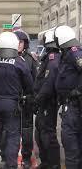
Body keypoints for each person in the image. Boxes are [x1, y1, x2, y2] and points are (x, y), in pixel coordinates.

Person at [0, 32, 34, 169]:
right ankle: (11, 166)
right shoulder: (19, 62)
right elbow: (29, 85)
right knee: (13, 137)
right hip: (12, 104)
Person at [54, 25, 82, 169]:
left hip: (73, 105)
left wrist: (77, 90)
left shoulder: (74, 52)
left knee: (71, 144)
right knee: (70, 144)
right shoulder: (66, 54)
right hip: (68, 105)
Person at [34, 30, 61, 169]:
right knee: (40, 132)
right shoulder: (49, 57)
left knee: (47, 134)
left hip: (48, 102)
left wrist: (37, 100)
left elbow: (48, 83)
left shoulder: (53, 59)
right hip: (43, 101)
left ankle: (53, 164)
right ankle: (45, 162)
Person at [14, 30, 38, 168]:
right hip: (12, 100)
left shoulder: (30, 59)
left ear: (25, 43)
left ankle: (27, 157)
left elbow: (35, 80)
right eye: (16, 41)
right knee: (11, 130)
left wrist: (32, 98)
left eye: (21, 42)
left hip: (26, 100)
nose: (18, 44)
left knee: (27, 130)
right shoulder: (7, 57)